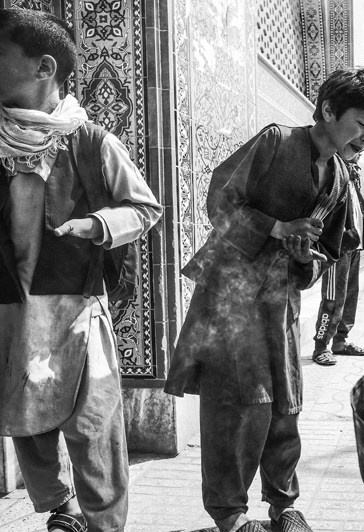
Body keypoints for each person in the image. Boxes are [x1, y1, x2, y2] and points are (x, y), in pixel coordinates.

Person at [164, 67, 364, 532]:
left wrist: (306, 258)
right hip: (231, 296)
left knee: (286, 404)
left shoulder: (340, 179)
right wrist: (276, 227)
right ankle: (229, 515)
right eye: (362, 124)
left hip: (281, 302)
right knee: (237, 404)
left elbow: (328, 252)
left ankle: (283, 505)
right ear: (328, 111)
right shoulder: (276, 141)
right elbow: (220, 200)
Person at [0, 8, 162, 532]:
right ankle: (60, 509)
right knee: (24, 415)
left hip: (76, 309)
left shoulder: (90, 141)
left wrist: (96, 224)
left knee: (94, 422)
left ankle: (105, 523)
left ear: (44, 67)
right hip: (11, 305)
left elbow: (144, 208)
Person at [311, 159, 364, 366]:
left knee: (350, 295)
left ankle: (341, 341)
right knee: (333, 297)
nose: (358, 153)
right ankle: (321, 345)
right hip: (336, 247)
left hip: (353, 245)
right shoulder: (333, 173)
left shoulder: (352, 174)